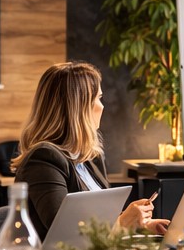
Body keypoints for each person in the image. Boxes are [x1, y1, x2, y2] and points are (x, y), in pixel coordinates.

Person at [12, 61, 169, 239]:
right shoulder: (44, 158)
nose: (102, 106)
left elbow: (96, 221)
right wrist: (123, 222)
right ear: (79, 107)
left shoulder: (91, 157)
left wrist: (139, 225)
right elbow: (64, 232)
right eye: (98, 98)